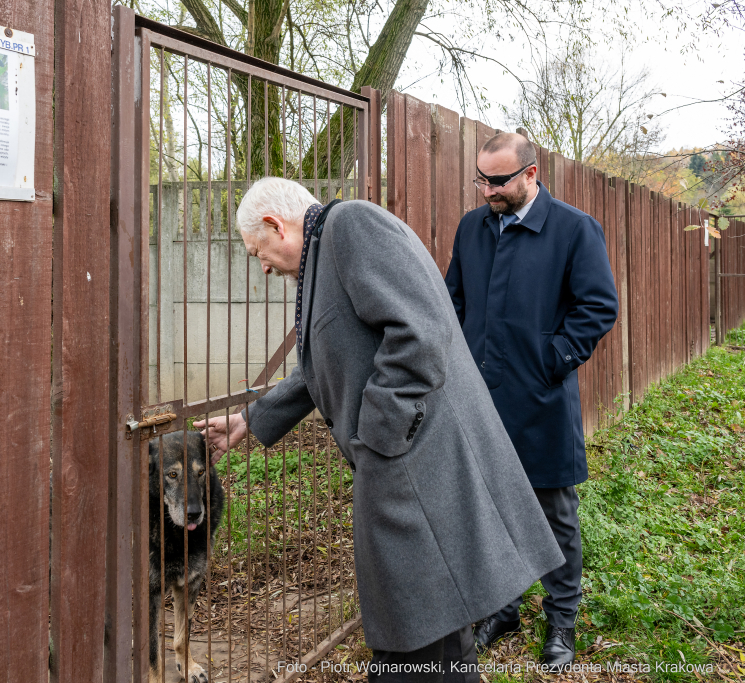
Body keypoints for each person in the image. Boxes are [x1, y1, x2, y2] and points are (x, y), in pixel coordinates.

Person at [194, 177, 564, 683]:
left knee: (417, 640)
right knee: (427, 638)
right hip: (406, 469)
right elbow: (324, 360)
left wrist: (377, 437)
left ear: (274, 225)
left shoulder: (351, 226)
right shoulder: (325, 254)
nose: (261, 265)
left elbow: (420, 330)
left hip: (415, 467)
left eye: (257, 250)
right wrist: (251, 420)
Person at [444, 133, 619, 668]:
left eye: (497, 181)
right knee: (490, 509)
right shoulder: (472, 228)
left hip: (541, 399)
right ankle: (504, 607)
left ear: (531, 174)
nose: (487, 191)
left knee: (553, 515)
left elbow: (598, 307)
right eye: (481, 179)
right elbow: (454, 298)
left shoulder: (573, 230)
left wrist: (552, 360)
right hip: (480, 399)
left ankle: (561, 621)